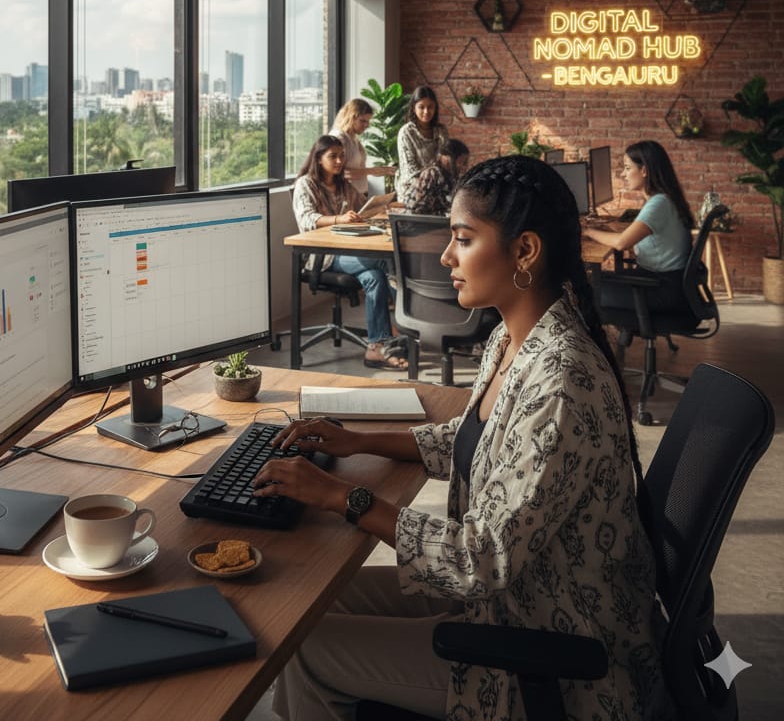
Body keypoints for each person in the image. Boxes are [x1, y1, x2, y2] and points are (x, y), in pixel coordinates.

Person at [260, 155, 670, 721]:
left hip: (553, 641)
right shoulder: (512, 335)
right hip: (509, 598)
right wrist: (355, 441)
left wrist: (341, 497)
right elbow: (475, 436)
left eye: (463, 239)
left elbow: (481, 559)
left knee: (302, 648)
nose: (446, 256)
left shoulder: (560, 383)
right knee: (302, 607)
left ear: (524, 251)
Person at [292, 134, 407, 371]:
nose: (339, 160)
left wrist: (384, 207)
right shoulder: (306, 184)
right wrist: (339, 218)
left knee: (374, 278)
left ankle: (376, 347)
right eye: (332, 156)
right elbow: (307, 219)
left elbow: (363, 206)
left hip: (350, 252)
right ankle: (409, 328)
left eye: (341, 155)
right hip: (322, 257)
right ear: (318, 158)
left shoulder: (343, 185)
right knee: (390, 262)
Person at [584, 139, 695, 311]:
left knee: (583, 287)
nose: (623, 174)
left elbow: (622, 243)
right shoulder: (664, 198)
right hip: (666, 284)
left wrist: (587, 230)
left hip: (661, 290)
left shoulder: (658, 204)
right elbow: (630, 237)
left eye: (627, 168)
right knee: (591, 280)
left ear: (644, 170)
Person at [329, 97, 396, 202]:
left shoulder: (353, 138)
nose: (367, 125)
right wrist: (371, 171)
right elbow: (340, 172)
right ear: (351, 117)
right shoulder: (339, 138)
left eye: (368, 121)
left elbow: (359, 170)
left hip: (359, 195)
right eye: (363, 121)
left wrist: (384, 170)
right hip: (345, 197)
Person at [396, 85, 448, 205]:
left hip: (438, 190)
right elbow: (410, 171)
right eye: (421, 107)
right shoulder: (406, 132)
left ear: (435, 108)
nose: (426, 111)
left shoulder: (441, 131)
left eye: (430, 107)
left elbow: (446, 163)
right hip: (412, 193)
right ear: (413, 108)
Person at [406, 137, 469, 216]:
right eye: (462, 162)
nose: (464, 167)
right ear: (446, 158)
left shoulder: (450, 178)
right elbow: (420, 211)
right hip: (420, 225)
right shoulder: (431, 174)